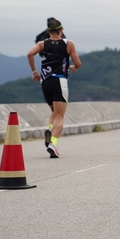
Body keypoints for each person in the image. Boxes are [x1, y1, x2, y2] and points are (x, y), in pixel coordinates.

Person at [27, 18, 82, 158]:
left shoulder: (42, 44)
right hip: (59, 80)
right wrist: (74, 68)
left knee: (54, 111)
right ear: (61, 29)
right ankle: (53, 143)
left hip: (45, 82)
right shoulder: (68, 44)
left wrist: (34, 72)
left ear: (48, 31)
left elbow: (29, 54)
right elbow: (78, 63)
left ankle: (50, 128)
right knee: (60, 115)